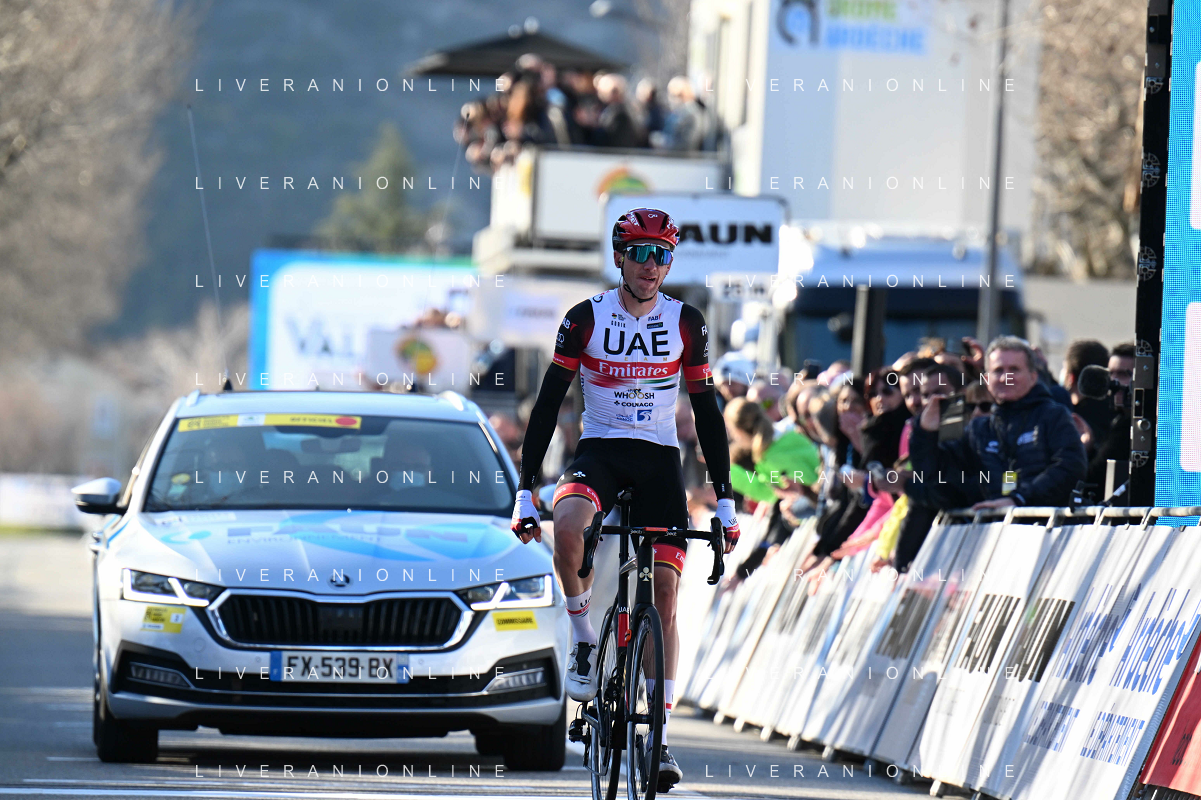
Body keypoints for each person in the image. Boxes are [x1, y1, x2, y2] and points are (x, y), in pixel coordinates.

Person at [511, 208, 738, 790]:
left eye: (662, 255)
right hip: (601, 452)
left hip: (660, 459)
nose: (650, 265)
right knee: (568, 527)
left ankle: (658, 738)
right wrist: (525, 491)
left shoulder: (686, 322)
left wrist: (726, 499)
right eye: (639, 252)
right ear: (619, 257)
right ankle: (586, 641)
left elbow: (707, 412)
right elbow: (547, 404)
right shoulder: (585, 318)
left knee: (665, 596)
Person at [909, 336, 1087, 511]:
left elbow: (1070, 466)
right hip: (996, 527)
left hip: (1049, 526)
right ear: (987, 379)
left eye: (1014, 370)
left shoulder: (1054, 415)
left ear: (1033, 377)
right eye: (998, 371)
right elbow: (938, 477)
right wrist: (925, 433)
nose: (1005, 378)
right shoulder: (979, 430)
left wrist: (1019, 499)